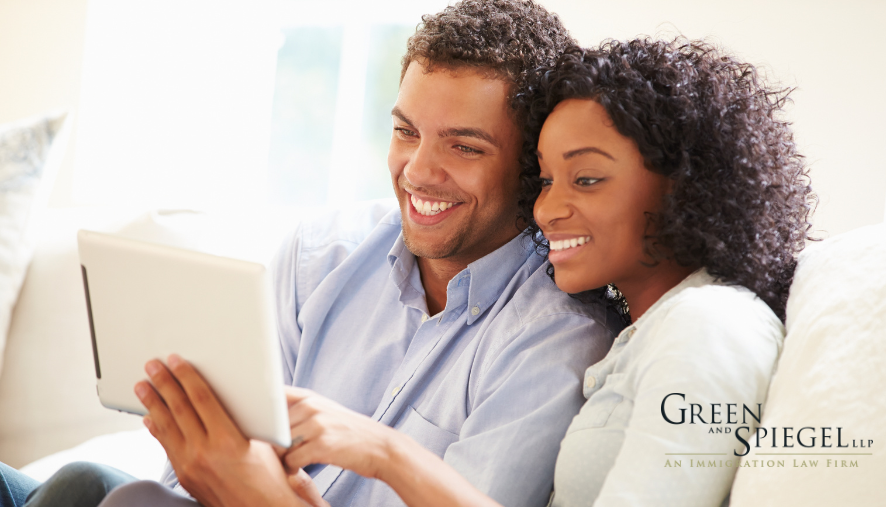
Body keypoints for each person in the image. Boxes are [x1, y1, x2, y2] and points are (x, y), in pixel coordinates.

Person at [0, 1, 619, 507]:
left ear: (533, 166)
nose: (418, 172)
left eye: (464, 147)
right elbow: (202, 473)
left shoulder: (556, 341)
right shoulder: (321, 256)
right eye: (405, 131)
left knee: (82, 489)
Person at [228, 37, 814, 506]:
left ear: (686, 184)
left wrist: (384, 453)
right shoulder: (647, 334)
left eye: (585, 178)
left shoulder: (701, 326)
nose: (547, 209)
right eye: (546, 179)